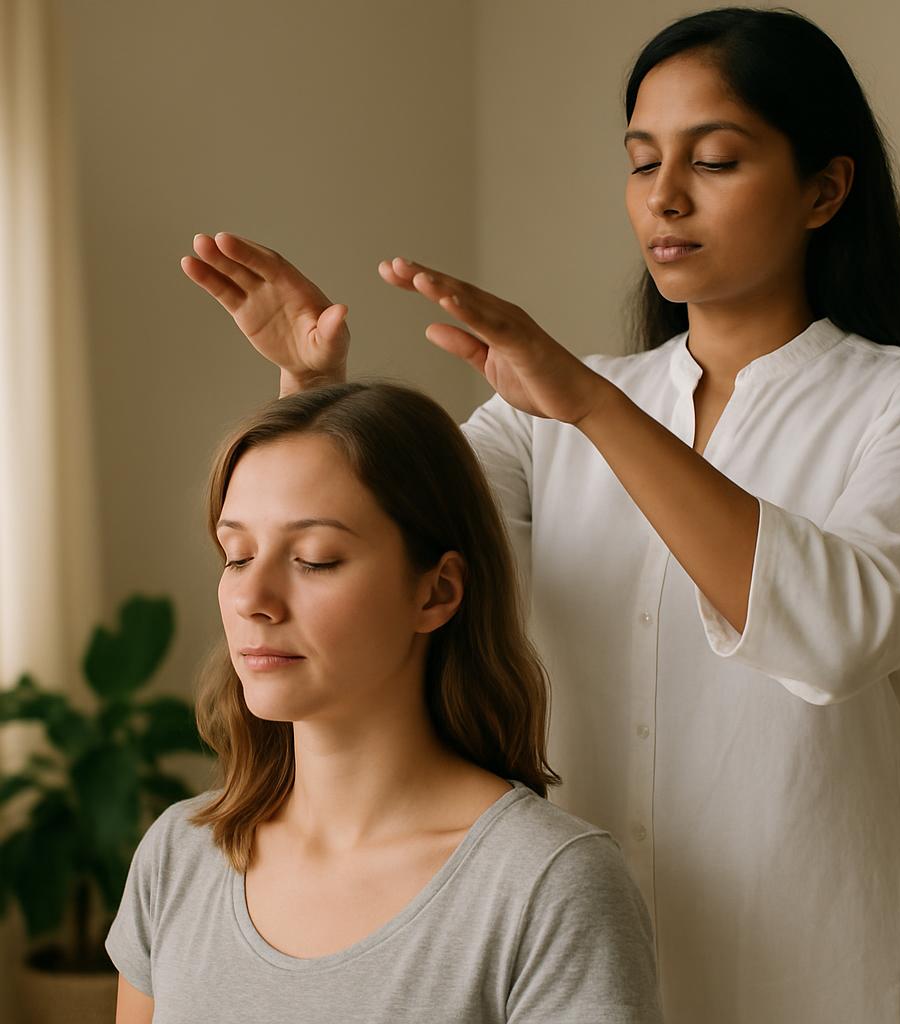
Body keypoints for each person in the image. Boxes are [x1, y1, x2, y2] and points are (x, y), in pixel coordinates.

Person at [180, 8, 900, 1022]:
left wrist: (592, 407)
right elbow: (392, 558)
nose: (664, 195)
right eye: (642, 160)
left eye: (714, 160)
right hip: (577, 954)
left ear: (824, 189)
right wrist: (315, 388)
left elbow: (836, 636)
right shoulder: (548, 414)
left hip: (827, 962)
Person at [105, 383, 663, 1024]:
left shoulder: (547, 885)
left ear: (437, 592)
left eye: (314, 560)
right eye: (238, 556)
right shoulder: (179, 854)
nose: (252, 598)